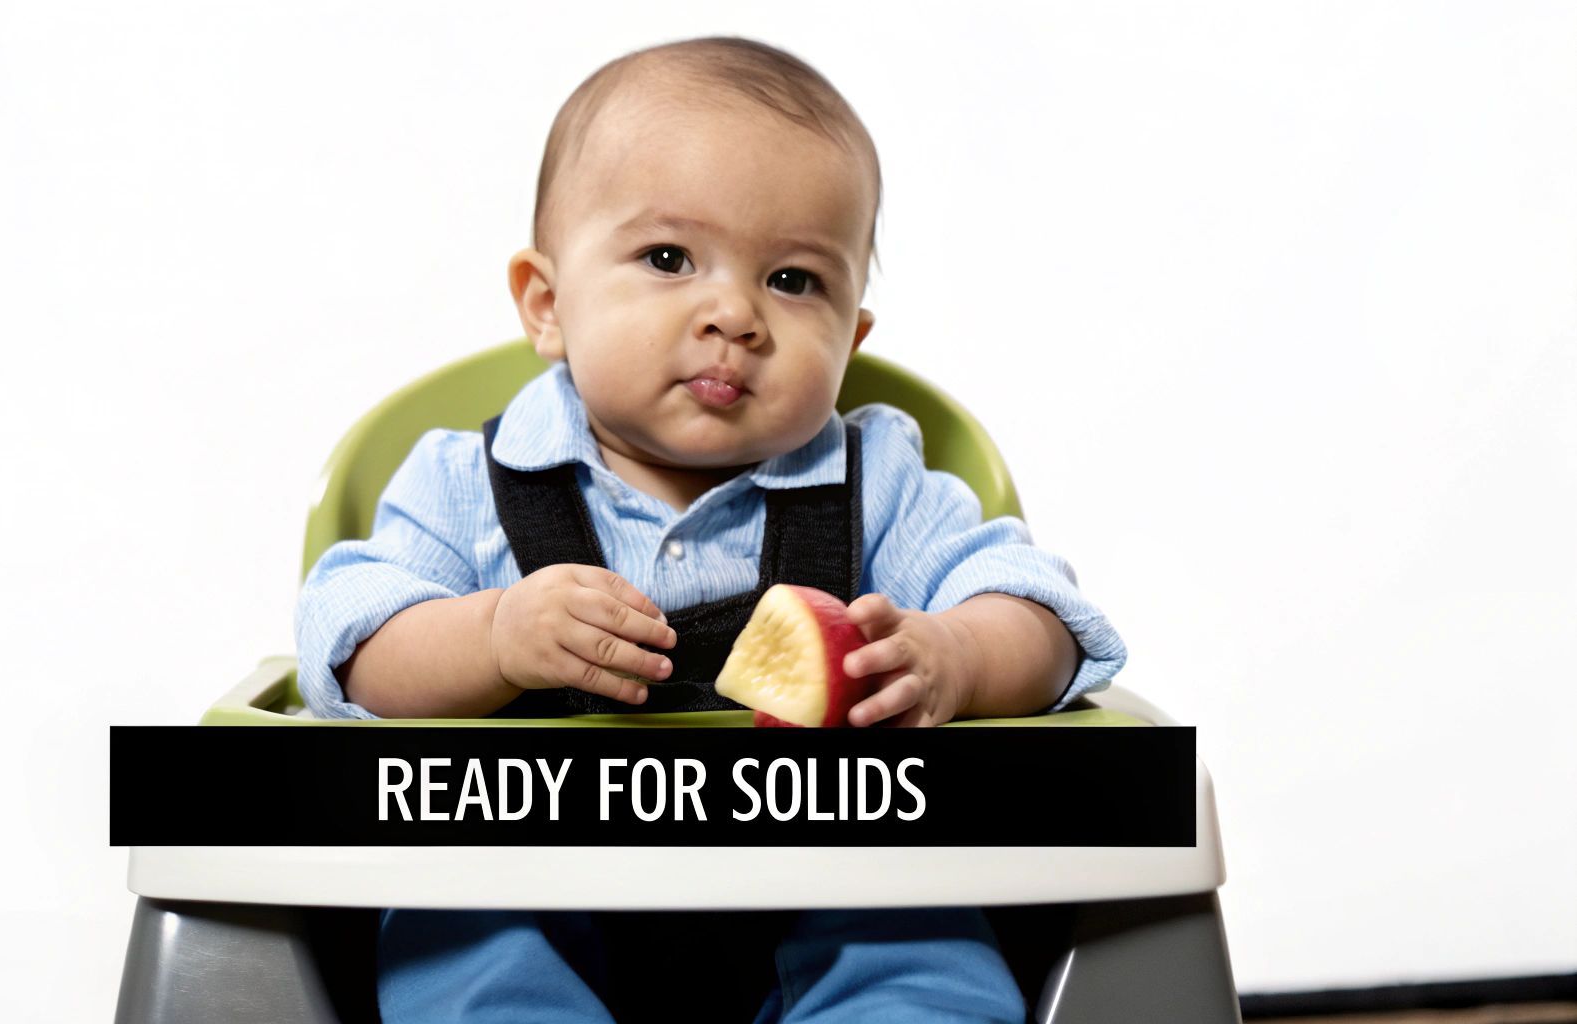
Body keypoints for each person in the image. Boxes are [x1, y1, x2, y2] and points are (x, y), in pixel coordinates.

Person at [296, 35, 1127, 1024]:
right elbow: (344, 644)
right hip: (536, 888)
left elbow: (1040, 611)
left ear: (851, 334)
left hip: (828, 889)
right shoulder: (462, 483)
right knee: (461, 929)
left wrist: (951, 651)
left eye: (793, 280)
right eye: (666, 258)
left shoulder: (879, 481)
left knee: (923, 946)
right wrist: (489, 637)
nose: (733, 313)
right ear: (547, 303)